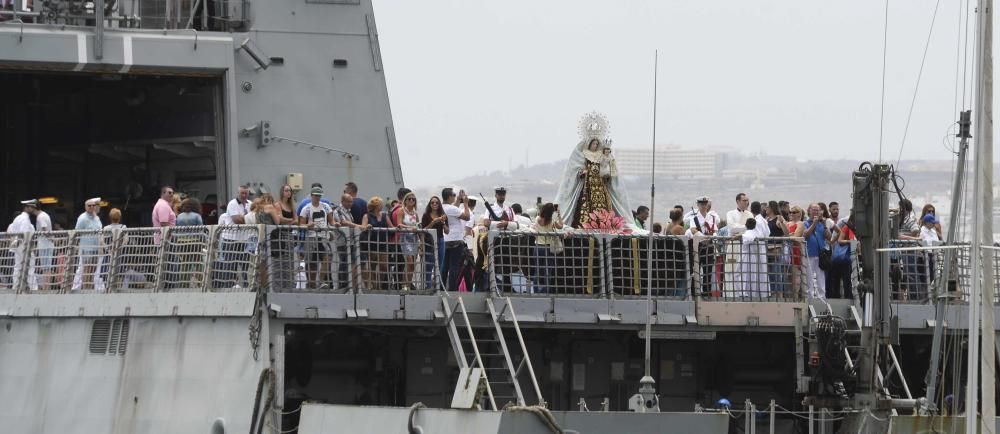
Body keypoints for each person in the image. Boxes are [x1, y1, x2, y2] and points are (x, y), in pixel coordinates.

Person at [552, 131, 634, 228]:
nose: (595, 145)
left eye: (597, 144)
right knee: (584, 204)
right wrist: (582, 172)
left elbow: (605, 165)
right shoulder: (584, 154)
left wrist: (606, 173)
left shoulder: (601, 154)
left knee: (604, 205)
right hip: (587, 184)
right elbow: (577, 168)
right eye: (594, 143)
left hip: (600, 184)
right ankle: (586, 224)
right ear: (589, 143)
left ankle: (604, 224)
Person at [298, 186, 337, 289]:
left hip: (323, 237)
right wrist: (307, 225)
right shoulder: (306, 208)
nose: (318, 198)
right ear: (311, 196)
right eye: (316, 196)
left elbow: (331, 220)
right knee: (312, 263)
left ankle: (320, 280)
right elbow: (301, 224)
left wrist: (335, 225)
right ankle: (311, 284)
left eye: (319, 196)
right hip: (311, 238)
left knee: (327, 257)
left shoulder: (326, 207)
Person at [216, 185, 252, 289]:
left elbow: (254, 218)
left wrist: (245, 219)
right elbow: (237, 220)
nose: (244, 195)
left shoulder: (251, 204)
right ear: (238, 193)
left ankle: (247, 287)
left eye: (246, 193)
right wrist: (249, 219)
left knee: (245, 265)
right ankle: (227, 287)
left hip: (245, 239)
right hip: (231, 239)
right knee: (230, 265)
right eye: (242, 193)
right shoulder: (232, 204)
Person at [686, 196, 721, 295]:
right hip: (699, 246)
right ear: (698, 205)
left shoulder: (712, 217)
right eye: (701, 204)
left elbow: (714, 230)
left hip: (709, 246)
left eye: (705, 204)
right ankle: (695, 292)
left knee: (708, 271)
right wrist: (703, 237)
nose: (703, 206)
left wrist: (711, 237)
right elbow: (693, 229)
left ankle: (706, 292)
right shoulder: (694, 217)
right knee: (695, 270)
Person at [441, 187, 471, 291]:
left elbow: (453, 211)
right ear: (449, 196)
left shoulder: (442, 207)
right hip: (456, 239)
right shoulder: (452, 209)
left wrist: (458, 200)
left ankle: (442, 287)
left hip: (445, 239)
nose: (454, 197)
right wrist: (466, 203)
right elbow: (467, 217)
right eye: (453, 195)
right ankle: (452, 289)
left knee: (444, 266)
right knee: (454, 266)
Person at [361, 196, 394, 289]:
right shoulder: (367, 216)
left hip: (383, 245)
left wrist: (396, 228)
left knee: (384, 266)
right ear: (375, 205)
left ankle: (379, 285)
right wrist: (367, 226)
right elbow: (363, 226)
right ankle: (374, 286)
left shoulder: (384, 215)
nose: (382, 205)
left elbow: (391, 227)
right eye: (380, 203)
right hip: (371, 245)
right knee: (372, 266)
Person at [724, 193, 753, 295]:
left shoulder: (750, 215)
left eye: (747, 200)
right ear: (737, 201)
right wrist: (745, 227)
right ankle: (731, 294)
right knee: (731, 269)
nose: (746, 202)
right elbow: (732, 228)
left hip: (745, 245)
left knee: (744, 270)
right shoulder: (730, 213)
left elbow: (752, 228)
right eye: (744, 200)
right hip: (734, 245)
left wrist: (741, 229)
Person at [532, 203, 563, 293]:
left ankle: (536, 291)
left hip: (537, 247)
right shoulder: (552, 221)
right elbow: (561, 226)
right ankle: (546, 291)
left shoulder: (537, 219)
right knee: (547, 271)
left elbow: (534, 229)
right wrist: (559, 214)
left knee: (537, 271)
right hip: (548, 248)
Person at [802, 203, 832, 299]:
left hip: (820, 255)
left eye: (817, 210)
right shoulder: (805, 223)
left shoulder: (821, 223)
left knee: (821, 278)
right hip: (809, 254)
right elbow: (805, 235)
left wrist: (824, 225)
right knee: (809, 278)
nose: (815, 211)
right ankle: (809, 297)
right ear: (809, 211)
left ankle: (822, 297)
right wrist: (814, 223)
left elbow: (829, 236)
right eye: (813, 209)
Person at [75, 197, 104, 290]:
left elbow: (100, 232)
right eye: (89, 205)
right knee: (87, 269)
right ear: (85, 207)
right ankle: (85, 289)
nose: (91, 207)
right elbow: (76, 232)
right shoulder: (82, 218)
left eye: (93, 205)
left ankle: (90, 288)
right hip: (86, 248)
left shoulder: (97, 218)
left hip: (95, 248)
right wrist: (76, 247)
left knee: (93, 270)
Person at [421, 195, 449, 289]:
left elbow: (447, 231)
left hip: (440, 241)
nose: (434, 204)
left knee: (439, 265)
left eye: (436, 202)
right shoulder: (426, 215)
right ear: (430, 204)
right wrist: (433, 222)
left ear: (439, 204)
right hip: (429, 242)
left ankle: (437, 287)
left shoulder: (443, 215)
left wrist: (443, 222)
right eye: (432, 202)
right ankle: (427, 286)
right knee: (429, 265)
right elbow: (423, 230)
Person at [395, 192, 421, 290]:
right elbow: (399, 224)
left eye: (413, 199)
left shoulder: (415, 213)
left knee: (413, 264)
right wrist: (410, 227)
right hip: (405, 238)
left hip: (414, 239)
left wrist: (420, 240)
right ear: (405, 200)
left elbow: (418, 225)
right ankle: (404, 285)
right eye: (409, 199)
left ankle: (408, 284)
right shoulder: (402, 211)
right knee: (409, 261)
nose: (411, 200)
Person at [765, 201, 789, 296]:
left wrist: (782, 222)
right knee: (771, 275)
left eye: (767, 207)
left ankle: (779, 295)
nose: (765, 208)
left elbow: (786, 233)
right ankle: (774, 294)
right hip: (767, 250)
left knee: (776, 274)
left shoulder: (778, 219)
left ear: (771, 208)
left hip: (776, 249)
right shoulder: (767, 219)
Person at [786, 205, 805, 299]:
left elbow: (796, 235)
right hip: (787, 251)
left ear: (799, 214)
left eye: (794, 212)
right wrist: (790, 235)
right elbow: (785, 234)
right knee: (788, 277)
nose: (791, 214)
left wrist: (789, 235)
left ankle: (796, 298)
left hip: (795, 251)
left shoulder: (800, 223)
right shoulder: (788, 223)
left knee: (795, 277)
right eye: (790, 212)